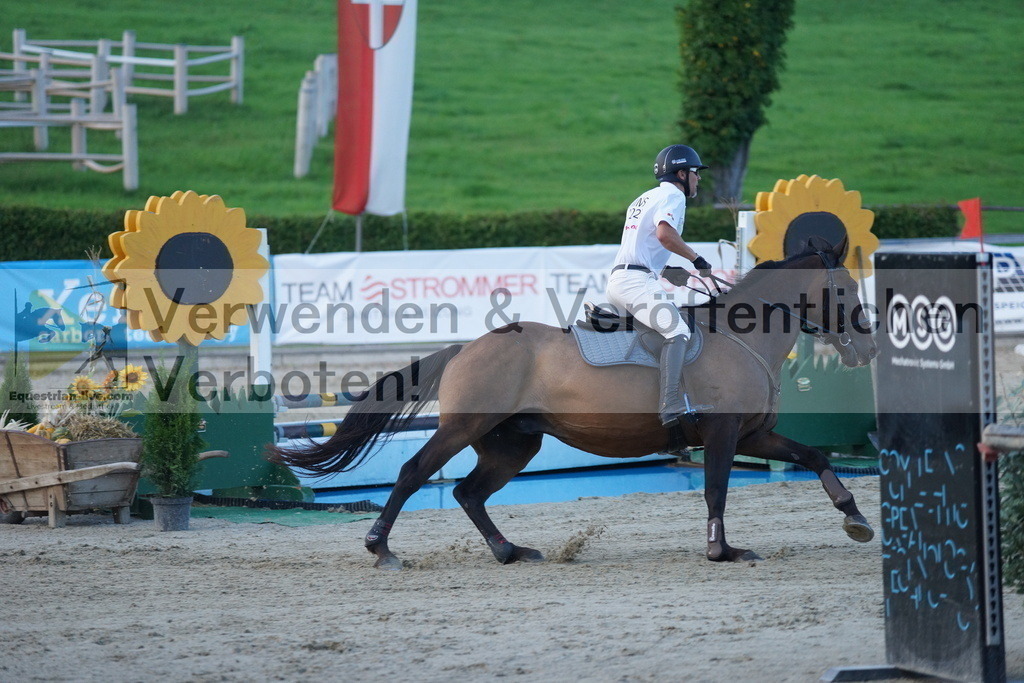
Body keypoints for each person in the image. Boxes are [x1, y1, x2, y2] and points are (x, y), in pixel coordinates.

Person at [606, 144, 713, 427]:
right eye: (695, 172)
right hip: (635, 283)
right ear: (682, 174)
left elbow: (643, 245)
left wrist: (666, 270)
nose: (699, 178)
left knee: (658, 335)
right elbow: (665, 235)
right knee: (678, 331)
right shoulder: (674, 196)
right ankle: (670, 406)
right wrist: (696, 258)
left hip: (621, 280)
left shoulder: (644, 198)